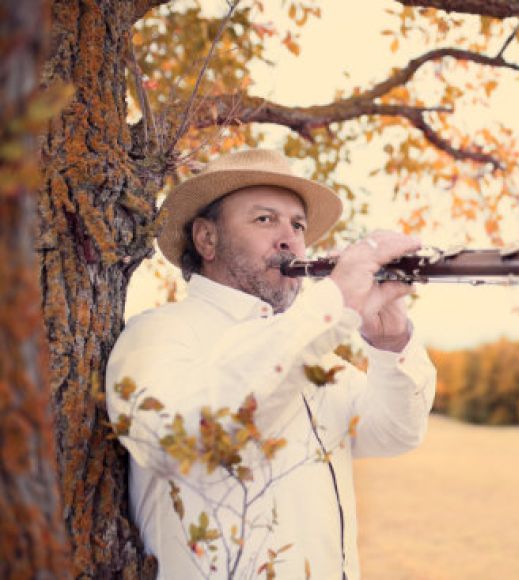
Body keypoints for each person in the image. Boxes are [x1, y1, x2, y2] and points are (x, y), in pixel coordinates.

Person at [106, 149, 437, 580]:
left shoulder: (314, 352)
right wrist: (332, 305)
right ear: (206, 239)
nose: (290, 239)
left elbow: (395, 433)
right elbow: (178, 440)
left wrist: (390, 342)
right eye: (265, 220)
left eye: (297, 225)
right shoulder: (158, 334)